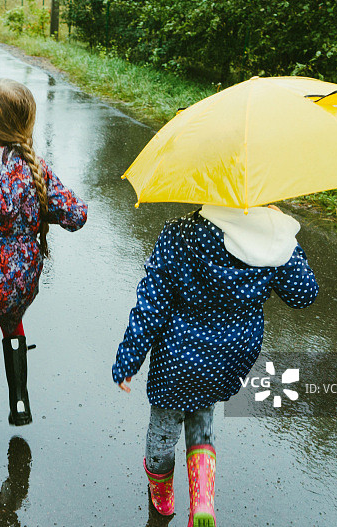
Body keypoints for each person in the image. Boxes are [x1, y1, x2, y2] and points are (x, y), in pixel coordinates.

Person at [112, 204, 318, 524]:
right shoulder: (271, 239)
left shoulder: (180, 233)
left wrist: (128, 360)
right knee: (203, 413)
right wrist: (283, 235)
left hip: (177, 360)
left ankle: (162, 494)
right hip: (230, 359)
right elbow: (304, 294)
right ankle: (203, 499)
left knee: (164, 430)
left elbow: (151, 305)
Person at [0, 78, 88, 461]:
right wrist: (40, 211)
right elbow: (76, 216)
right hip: (21, 281)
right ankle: (20, 401)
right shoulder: (35, 168)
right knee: (11, 315)